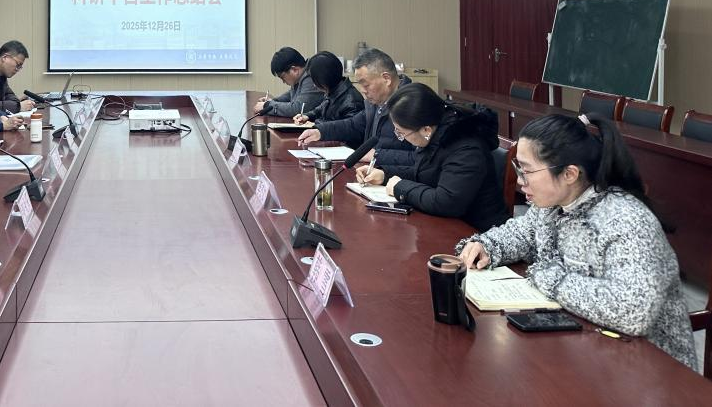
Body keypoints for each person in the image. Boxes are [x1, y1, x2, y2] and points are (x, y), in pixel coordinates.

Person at [457, 114, 697, 370]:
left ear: (569, 173)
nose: (520, 180)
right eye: (519, 168)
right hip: (586, 345)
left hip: (651, 367)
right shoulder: (553, 204)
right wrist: (487, 245)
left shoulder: (626, 220)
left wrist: (549, 278)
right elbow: (522, 234)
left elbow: (634, 311)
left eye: (527, 171)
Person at [355, 83, 508, 232]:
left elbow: (446, 202)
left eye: (401, 133)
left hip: (478, 233)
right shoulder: (437, 132)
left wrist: (400, 187)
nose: (401, 137)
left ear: (426, 130)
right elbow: (425, 172)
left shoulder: (466, 148)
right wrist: (385, 175)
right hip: (447, 225)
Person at [295, 47, 415, 167]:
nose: (363, 91)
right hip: (370, 171)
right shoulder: (376, 102)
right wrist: (320, 132)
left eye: (366, 85)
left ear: (386, 79)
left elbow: (421, 159)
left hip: (394, 176)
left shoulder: (414, 105)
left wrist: (378, 155)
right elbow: (353, 125)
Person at [290, 51, 363, 124]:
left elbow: (343, 127)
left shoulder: (352, 102)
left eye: (315, 81)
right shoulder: (333, 90)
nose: (314, 85)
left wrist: (316, 124)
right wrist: (307, 116)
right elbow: (320, 109)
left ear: (325, 78)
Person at [253, 46, 325, 117]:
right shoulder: (301, 77)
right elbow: (290, 95)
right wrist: (272, 101)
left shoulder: (311, 77)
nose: (283, 81)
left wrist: (267, 106)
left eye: (282, 77)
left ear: (294, 70)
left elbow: (298, 109)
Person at [0, 40, 35, 113]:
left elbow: (12, 98)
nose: (18, 70)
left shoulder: (1, 75)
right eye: (18, 65)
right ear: (5, 57)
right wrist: (18, 106)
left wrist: (16, 104)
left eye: (20, 67)